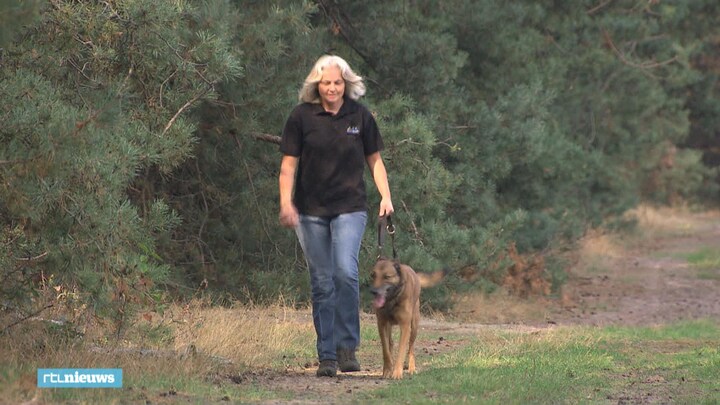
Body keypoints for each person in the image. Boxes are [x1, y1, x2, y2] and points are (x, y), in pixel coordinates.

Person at [278, 55, 394, 377]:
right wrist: (286, 203)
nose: (332, 88)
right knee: (322, 281)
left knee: (345, 272)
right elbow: (288, 167)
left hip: (350, 207)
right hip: (310, 211)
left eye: (337, 83)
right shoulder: (301, 117)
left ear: (347, 84)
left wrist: (385, 195)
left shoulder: (360, 115)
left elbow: (374, 160)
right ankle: (327, 355)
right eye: (326, 83)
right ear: (317, 84)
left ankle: (347, 348)